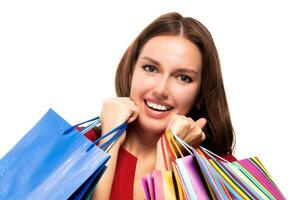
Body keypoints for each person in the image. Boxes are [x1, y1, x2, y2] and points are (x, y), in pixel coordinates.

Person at [86, 12, 236, 200]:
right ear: (132, 72)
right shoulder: (77, 146)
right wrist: (110, 141)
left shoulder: (223, 176)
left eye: (183, 78)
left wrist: (167, 156)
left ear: (200, 95)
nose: (161, 90)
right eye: (151, 68)